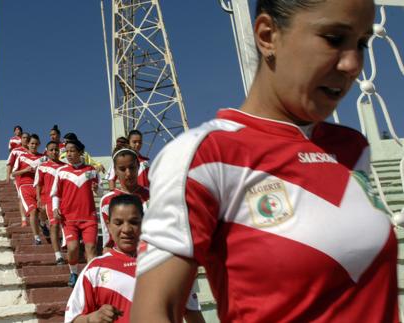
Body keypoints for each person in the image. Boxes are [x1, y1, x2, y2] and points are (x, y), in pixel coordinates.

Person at [131, 0, 398, 322]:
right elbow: (155, 311)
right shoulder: (206, 155)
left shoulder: (352, 148)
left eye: (362, 43)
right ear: (267, 35)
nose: (353, 63)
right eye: (334, 38)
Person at [65, 195, 204, 323]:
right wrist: (91, 318)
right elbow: (72, 319)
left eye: (134, 222)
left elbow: (193, 314)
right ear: (108, 226)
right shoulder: (94, 269)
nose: (126, 229)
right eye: (118, 223)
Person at [51, 139, 103, 287]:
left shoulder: (92, 170)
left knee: (91, 249)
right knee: (72, 248)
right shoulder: (61, 171)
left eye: (72, 151)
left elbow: (101, 192)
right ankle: (73, 272)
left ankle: (92, 279)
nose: (69, 154)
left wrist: (96, 189)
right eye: (67, 151)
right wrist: (55, 208)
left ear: (80, 152)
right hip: (69, 218)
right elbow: (56, 194)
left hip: (89, 217)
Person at [99, 148, 150, 252]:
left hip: (149, 255)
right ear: (115, 170)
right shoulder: (107, 201)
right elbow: (108, 243)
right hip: (120, 257)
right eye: (122, 169)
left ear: (138, 166)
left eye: (132, 167)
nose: (128, 173)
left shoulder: (153, 195)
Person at [35, 141, 67, 264]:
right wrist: (38, 198)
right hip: (49, 200)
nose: (54, 152)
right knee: (54, 226)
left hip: (65, 201)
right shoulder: (42, 167)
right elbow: (39, 185)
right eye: (51, 150)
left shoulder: (65, 167)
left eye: (56, 150)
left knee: (63, 225)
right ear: (47, 152)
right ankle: (58, 255)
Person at [12, 134, 46, 245]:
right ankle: (37, 237)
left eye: (36, 144)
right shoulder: (21, 157)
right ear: (28, 144)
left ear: (39, 144)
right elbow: (13, 173)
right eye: (32, 143)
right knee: (33, 211)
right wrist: (25, 170)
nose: (34, 145)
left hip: (40, 187)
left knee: (43, 210)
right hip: (25, 187)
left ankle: (43, 223)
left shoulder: (43, 158)